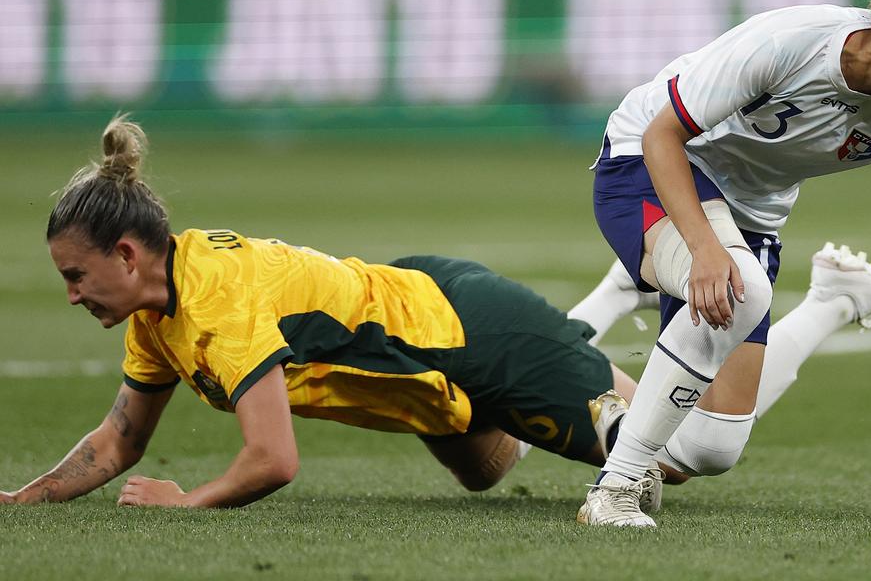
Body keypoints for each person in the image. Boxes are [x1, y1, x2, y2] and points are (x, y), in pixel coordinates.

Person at [0, 115, 677, 509]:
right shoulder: (158, 313)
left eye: (76, 275)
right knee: (483, 470)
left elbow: (272, 459)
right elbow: (119, 439)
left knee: (676, 456)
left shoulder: (216, 301)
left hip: (466, 329)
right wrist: (25, 500)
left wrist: (188, 501)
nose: (71, 295)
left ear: (124, 254)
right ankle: (580, 353)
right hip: (422, 359)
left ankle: (727, 326)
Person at [576, 0, 871, 528]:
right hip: (652, 160)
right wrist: (704, 248)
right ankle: (614, 489)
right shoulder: (791, 41)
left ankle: (833, 299)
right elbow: (663, 134)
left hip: (750, 215)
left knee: (710, 450)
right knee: (741, 290)